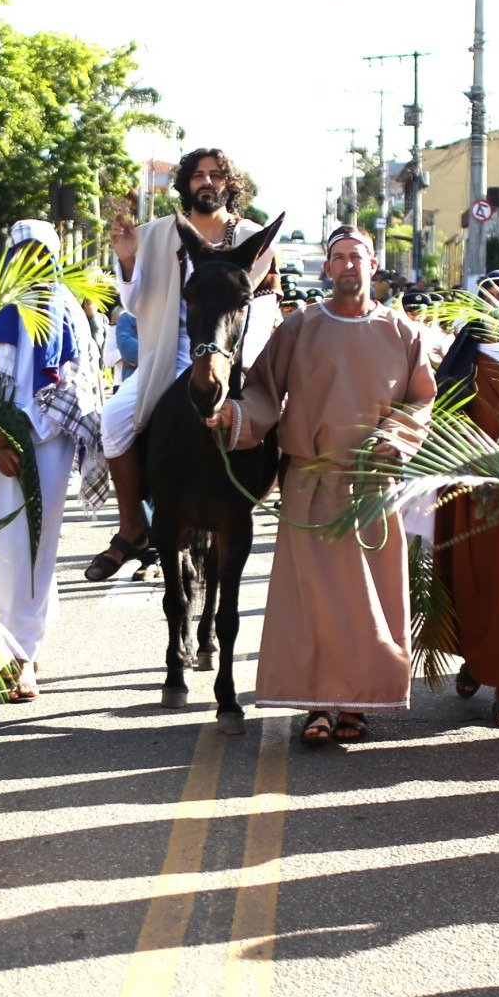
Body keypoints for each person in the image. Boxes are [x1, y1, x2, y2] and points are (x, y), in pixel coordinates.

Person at [211, 226, 435, 744]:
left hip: (371, 484)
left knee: (367, 602)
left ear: (373, 265)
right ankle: (316, 707)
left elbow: (420, 399)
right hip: (311, 482)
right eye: (339, 257)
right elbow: (265, 392)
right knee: (311, 603)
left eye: (357, 256)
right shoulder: (299, 328)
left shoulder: (404, 332)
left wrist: (395, 438)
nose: (349, 265)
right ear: (326, 268)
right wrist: (233, 417)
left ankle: (358, 705)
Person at [87, 147, 275, 582]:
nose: (207, 182)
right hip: (167, 357)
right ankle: (133, 528)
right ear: (186, 183)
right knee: (114, 418)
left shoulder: (253, 236)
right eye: (198, 175)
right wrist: (129, 257)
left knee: (275, 419)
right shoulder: (155, 233)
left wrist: (239, 366)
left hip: (229, 358)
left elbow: (259, 303)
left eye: (215, 175)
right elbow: (132, 305)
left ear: (229, 183)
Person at [0, 220, 105, 701]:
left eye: (42, 253)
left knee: (39, 546)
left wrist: (51, 419)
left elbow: (84, 381)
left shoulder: (68, 309)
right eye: (23, 251)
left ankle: (24, 655)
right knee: (6, 548)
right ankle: (16, 642)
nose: (32, 262)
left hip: (51, 441)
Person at [430, 269, 499, 728]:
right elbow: (440, 409)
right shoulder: (464, 352)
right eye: (488, 294)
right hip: (466, 483)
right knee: (468, 581)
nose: (496, 301)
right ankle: (474, 663)